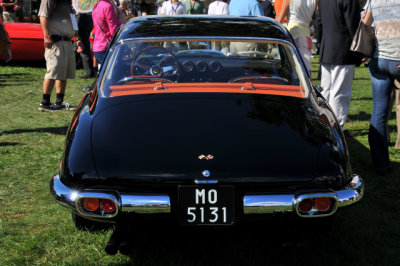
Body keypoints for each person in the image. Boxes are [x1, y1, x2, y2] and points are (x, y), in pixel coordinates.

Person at [363, 1, 400, 174]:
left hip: (379, 60)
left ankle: (381, 165)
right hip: (397, 58)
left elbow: (365, 24)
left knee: (379, 112)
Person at [315, 0, 361, 133]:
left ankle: (325, 122)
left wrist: (321, 44)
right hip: (343, 49)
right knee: (339, 92)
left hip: (327, 48)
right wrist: (359, 49)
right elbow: (353, 25)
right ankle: (337, 127)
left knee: (326, 90)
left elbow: (319, 23)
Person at [38, 0, 81, 112]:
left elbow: (72, 20)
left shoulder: (68, 2)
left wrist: (77, 38)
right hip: (55, 40)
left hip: (67, 41)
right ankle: (45, 102)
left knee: (63, 72)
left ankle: (59, 102)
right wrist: (46, 36)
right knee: (53, 70)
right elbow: (43, 15)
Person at [276, 0, 317, 75]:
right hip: (306, 35)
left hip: (293, 36)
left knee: (297, 72)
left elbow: (279, 20)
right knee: (306, 71)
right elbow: (317, 19)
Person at [92, 0, 121, 66]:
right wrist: (122, 23)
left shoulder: (96, 5)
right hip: (107, 46)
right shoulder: (108, 6)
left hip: (98, 46)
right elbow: (114, 30)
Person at [74, 2, 96, 79]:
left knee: (82, 44)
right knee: (79, 44)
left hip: (82, 17)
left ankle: (89, 72)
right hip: (88, 16)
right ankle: (74, 65)